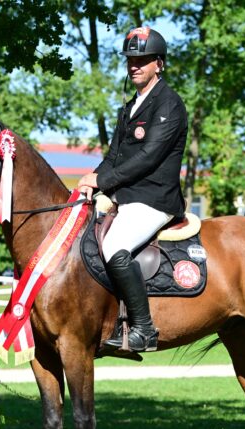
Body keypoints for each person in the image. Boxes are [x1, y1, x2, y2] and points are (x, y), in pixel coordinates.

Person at [78, 26, 188, 353]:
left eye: (142, 59)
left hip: (154, 199)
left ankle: (144, 328)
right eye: (130, 60)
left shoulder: (169, 104)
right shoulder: (129, 108)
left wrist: (102, 182)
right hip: (125, 198)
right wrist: (89, 181)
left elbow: (147, 157)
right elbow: (113, 158)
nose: (135, 65)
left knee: (114, 245)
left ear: (159, 63)